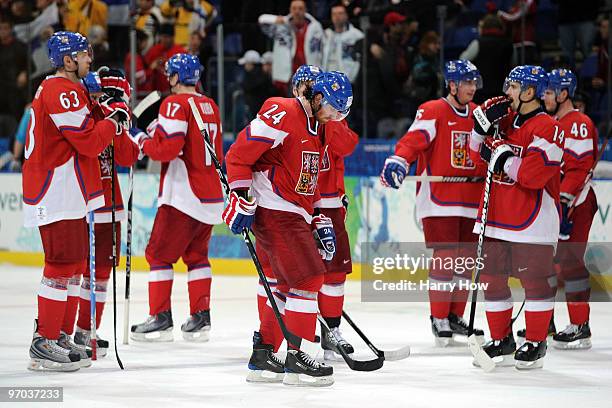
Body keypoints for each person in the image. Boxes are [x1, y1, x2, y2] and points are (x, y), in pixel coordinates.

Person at [223, 71, 352, 386]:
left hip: (294, 212)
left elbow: (307, 178)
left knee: (284, 285)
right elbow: (238, 154)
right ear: (317, 97)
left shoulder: (319, 127)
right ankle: (297, 357)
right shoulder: (282, 111)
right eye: (332, 109)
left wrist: (318, 215)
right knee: (309, 278)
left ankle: (264, 354)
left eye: (340, 113)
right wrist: (239, 195)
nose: (335, 117)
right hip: (274, 210)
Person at [23, 31, 129, 372]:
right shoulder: (60, 89)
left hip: (67, 189)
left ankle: (60, 335)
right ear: (67, 60)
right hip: (56, 187)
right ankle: (45, 341)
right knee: (60, 262)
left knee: (70, 265)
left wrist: (100, 105)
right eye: (83, 55)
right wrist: (112, 122)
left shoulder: (69, 89)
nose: (89, 60)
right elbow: (86, 142)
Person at [380, 60, 486, 347]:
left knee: (466, 261)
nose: (472, 88)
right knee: (447, 256)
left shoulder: (479, 113)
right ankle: (438, 317)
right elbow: (414, 140)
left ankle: (455, 316)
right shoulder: (433, 110)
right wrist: (399, 160)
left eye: (475, 83)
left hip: (471, 198)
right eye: (467, 83)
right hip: (440, 198)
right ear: (452, 85)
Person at [468, 65, 562, 369]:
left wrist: (503, 157)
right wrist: (478, 129)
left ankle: (536, 342)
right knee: (492, 281)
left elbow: (533, 175)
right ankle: (502, 340)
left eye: (512, 86)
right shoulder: (503, 122)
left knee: (534, 282)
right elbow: (477, 159)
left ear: (529, 92)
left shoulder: (548, 127)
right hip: (496, 216)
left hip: (532, 222)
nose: (506, 92)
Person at [130, 53, 224, 343]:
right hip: (210, 196)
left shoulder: (174, 103)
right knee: (197, 256)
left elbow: (167, 150)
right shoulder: (209, 105)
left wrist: (139, 137)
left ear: (174, 77)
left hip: (183, 195)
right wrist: (153, 132)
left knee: (158, 255)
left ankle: (160, 318)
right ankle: (200, 316)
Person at [56, 70, 139, 357]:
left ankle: (86, 329)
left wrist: (121, 124)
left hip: (110, 207)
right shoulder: (84, 112)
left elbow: (128, 157)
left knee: (100, 274)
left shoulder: (114, 114)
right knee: (78, 270)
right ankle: (63, 332)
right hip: (84, 203)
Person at [541, 68, 598, 350]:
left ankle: (580, 324)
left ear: (564, 94)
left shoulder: (579, 123)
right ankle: (545, 320)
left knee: (571, 263)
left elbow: (578, 169)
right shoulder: (549, 122)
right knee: (546, 264)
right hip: (556, 206)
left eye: (549, 92)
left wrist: (564, 201)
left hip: (577, 205)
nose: (544, 96)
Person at [258, 0, 324, 95]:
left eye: (300, 8)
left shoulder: (315, 27)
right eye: (294, 8)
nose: (297, 11)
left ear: (305, 10)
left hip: (309, 75)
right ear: (290, 10)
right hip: (287, 75)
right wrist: (276, 20)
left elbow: (322, 50)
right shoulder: (281, 26)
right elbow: (262, 20)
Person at [321, 2, 364, 83]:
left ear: (346, 16)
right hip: (327, 80)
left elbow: (358, 59)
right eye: (334, 14)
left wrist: (351, 77)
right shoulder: (325, 34)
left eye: (340, 13)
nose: (337, 17)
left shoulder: (357, 35)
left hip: (347, 80)